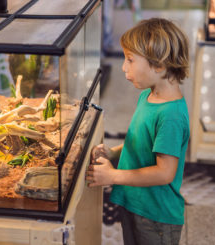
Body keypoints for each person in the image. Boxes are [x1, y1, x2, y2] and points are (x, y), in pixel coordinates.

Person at [86, 18, 190, 245]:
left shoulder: (170, 116)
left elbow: (165, 173)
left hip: (156, 216)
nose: (123, 67)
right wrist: (114, 153)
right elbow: (143, 143)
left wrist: (113, 176)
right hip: (135, 202)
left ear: (159, 65)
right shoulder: (148, 96)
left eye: (130, 60)